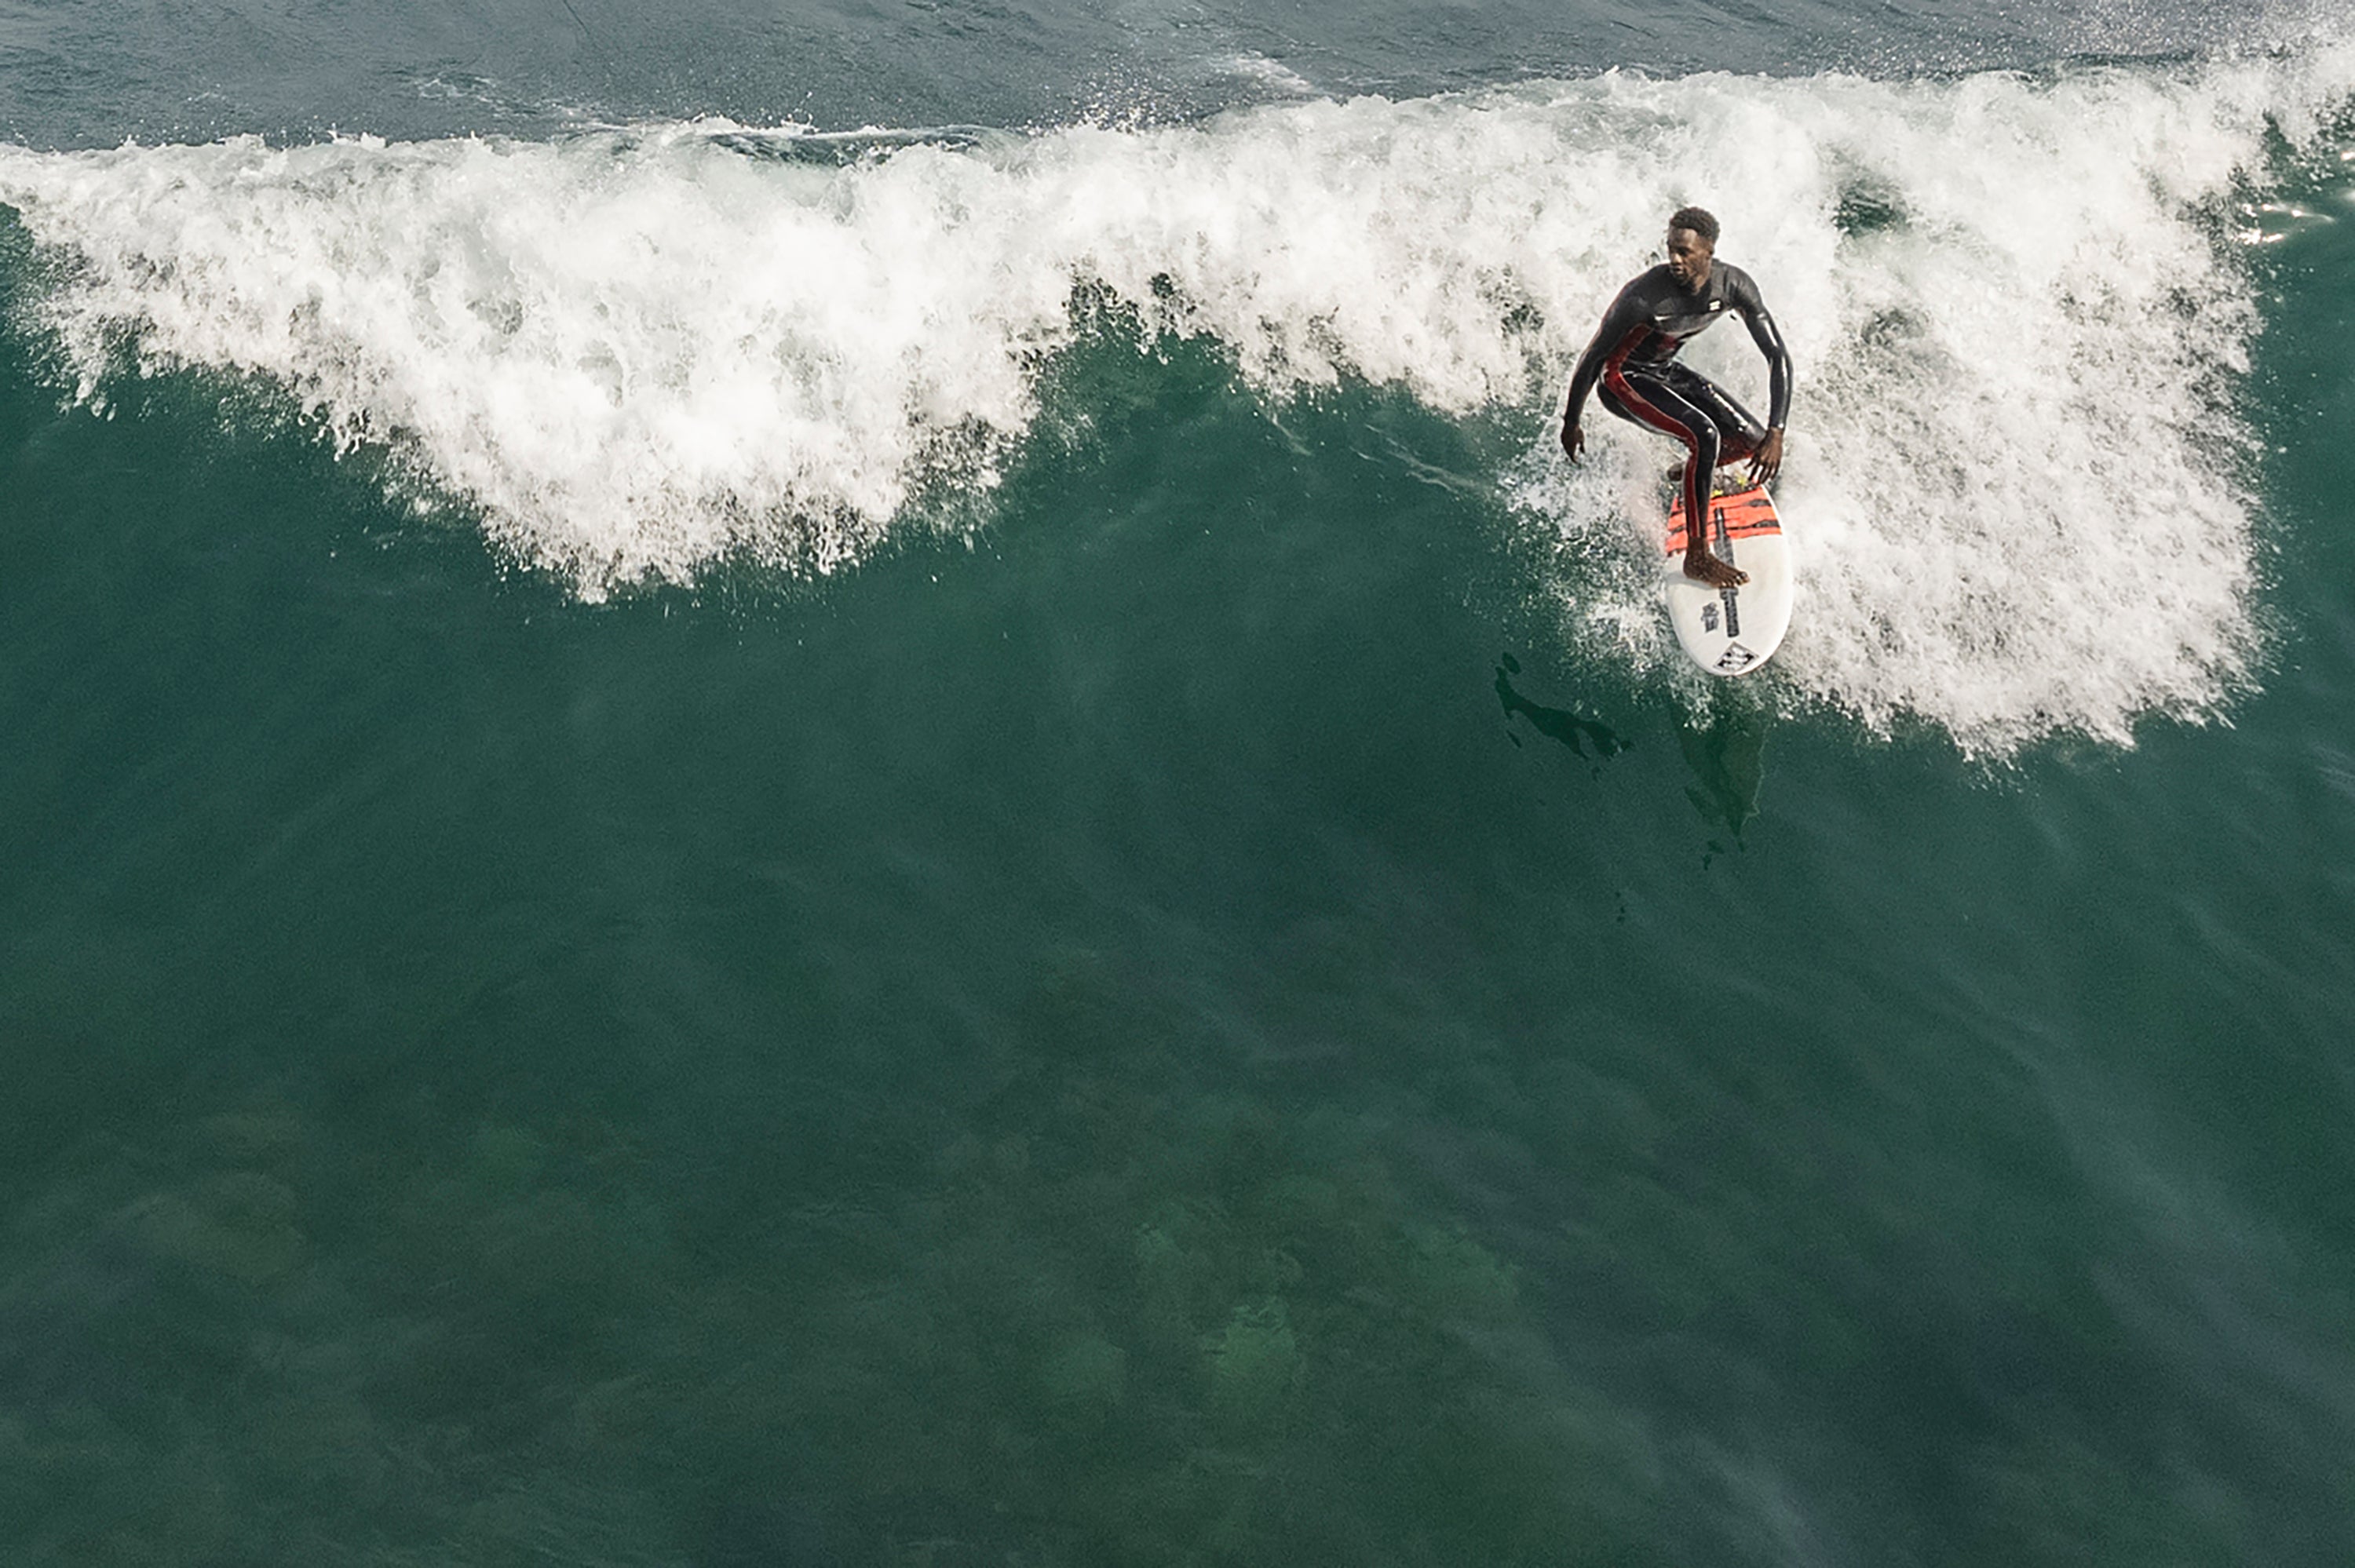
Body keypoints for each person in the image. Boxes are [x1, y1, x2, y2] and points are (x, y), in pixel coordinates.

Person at [1560, 206, 1792, 588]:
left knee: (1751, 441)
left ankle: (1689, 473)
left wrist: (1777, 431)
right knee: (1705, 435)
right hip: (1623, 380)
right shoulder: (1644, 297)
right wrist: (1572, 421)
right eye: (1671, 249)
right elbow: (1594, 357)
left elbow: (1777, 355)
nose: (1675, 260)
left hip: (1663, 372)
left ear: (1709, 252)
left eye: (1685, 252)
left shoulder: (1734, 286)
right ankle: (1697, 559)